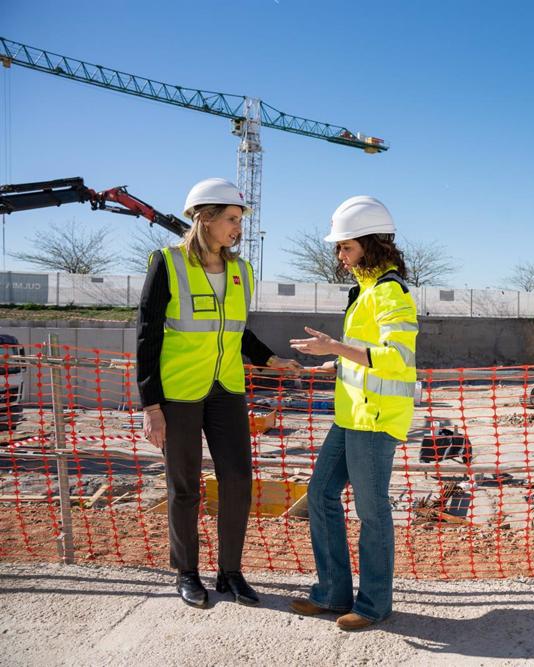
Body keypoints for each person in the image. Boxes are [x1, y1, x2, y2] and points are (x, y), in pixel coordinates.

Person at [137, 178, 299, 609]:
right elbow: (147, 335)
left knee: (238, 480)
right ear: (204, 218)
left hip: (227, 389)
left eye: (239, 220)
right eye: (231, 219)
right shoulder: (168, 263)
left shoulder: (241, 271)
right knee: (185, 487)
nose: (238, 228)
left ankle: (230, 572)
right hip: (179, 391)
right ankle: (186, 572)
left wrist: (269, 359)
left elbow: (237, 329)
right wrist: (151, 405)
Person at [288, 196, 418, 631]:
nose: (340, 256)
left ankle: (374, 604)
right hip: (350, 416)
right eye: (339, 248)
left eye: (346, 247)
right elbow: (364, 353)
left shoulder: (391, 292)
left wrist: (335, 347)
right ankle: (332, 593)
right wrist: (334, 361)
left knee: (371, 510)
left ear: (370, 244)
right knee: (321, 494)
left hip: (376, 419)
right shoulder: (364, 291)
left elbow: (396, 358)